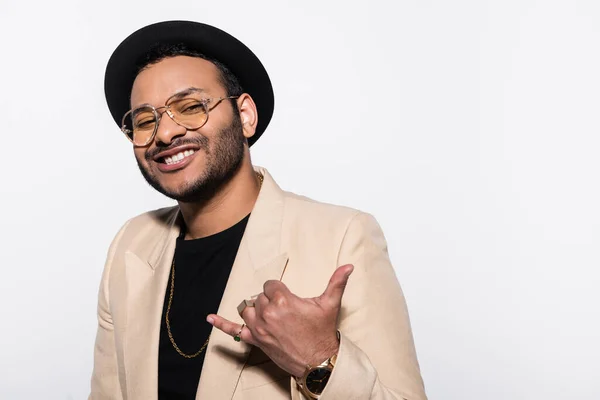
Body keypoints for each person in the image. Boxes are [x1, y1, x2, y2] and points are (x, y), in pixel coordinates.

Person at [90, 20, 427, 400]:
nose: (165, 134)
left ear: (245, 115)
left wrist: (319, 361)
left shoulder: (341, 238)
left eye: (190, 107)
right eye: (145, 121)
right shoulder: (130, 245)